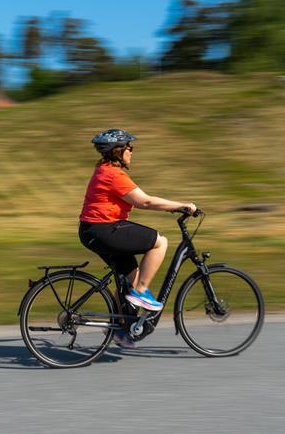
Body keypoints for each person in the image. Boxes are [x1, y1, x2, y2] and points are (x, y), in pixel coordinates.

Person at [78, 128, 197, 348]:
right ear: (117, 151)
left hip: (93, 230)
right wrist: (181, 206)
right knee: (159, 241)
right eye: (129, 147)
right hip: (104, 229)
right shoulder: (113, 175)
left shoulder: (104, 170)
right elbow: (145, 202)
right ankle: (142, 293)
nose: (132, 151)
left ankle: (120, 329)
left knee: (128, 281)